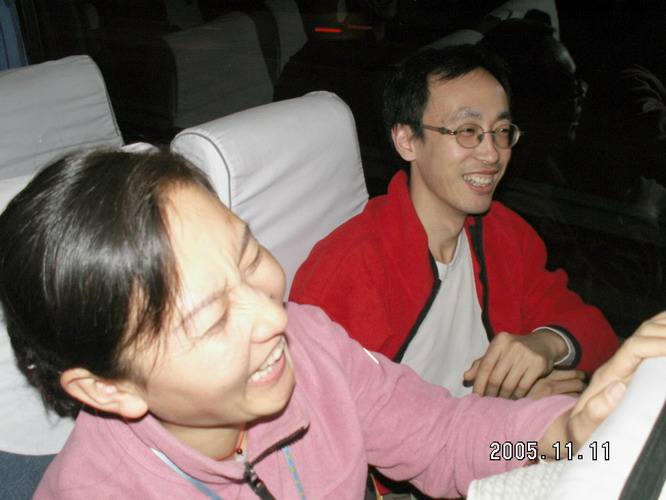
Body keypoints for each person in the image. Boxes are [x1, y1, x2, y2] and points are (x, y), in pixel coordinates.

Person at [0, 148, 658, 499]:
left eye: (250, 256)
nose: (273, 313)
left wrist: (571, 434)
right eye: (213, 317)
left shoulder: (309, 344)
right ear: (108, 387)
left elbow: (443, 438)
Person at [290, 44, 619, 404]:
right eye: (467, 130)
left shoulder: (505, 234)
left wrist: (547, 344)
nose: (492, 153)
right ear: (407, 141)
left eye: (501, 130)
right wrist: (510, 415)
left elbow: (597, 333)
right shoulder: (351, 265)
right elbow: (327, 419)